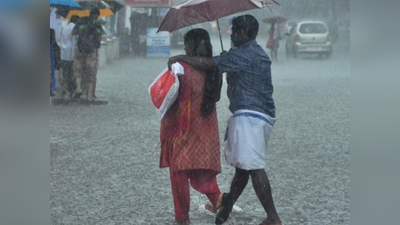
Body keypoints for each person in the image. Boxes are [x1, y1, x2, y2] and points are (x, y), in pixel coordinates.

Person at [168, 15, 282, 225]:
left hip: (251, 116)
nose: (232, 35)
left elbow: (211, 63)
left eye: (235, 31)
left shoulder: (246, 54)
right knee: (242, 169)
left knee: (254, 168)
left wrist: (180, 58)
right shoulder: (250, 53)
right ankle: (225, 209)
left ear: (246, 34)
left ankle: (273, 218)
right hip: (255, 116)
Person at [160, 29, 223, 225]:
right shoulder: (215, 68)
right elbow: (217, 97)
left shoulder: (181, 67)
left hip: (184, 128)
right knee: (202, 169)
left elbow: (168, 96)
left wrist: (179, 58)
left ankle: (182, 217)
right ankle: (219, 201)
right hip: (206, 128)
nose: (184, 48)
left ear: (192, 46)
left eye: (186, 44)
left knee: (179, 171)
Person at [72, 9, 103, 101]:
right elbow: (99, 38)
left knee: (77, 70)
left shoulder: (81, 20)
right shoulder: (97, 23)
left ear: (89, 13)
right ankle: (89, 96)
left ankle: (78, 88)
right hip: (91, 51)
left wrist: (82, 32)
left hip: (80, 49)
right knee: (91, 74)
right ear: (97, 15)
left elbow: (73, 32)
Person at [59, 16, 79, 99]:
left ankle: (64, 87)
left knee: (64, 72)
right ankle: (71, 90)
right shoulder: (74, 29)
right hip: (70, 54)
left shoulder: (64, 28)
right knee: (71, 73)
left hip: (63, 54)